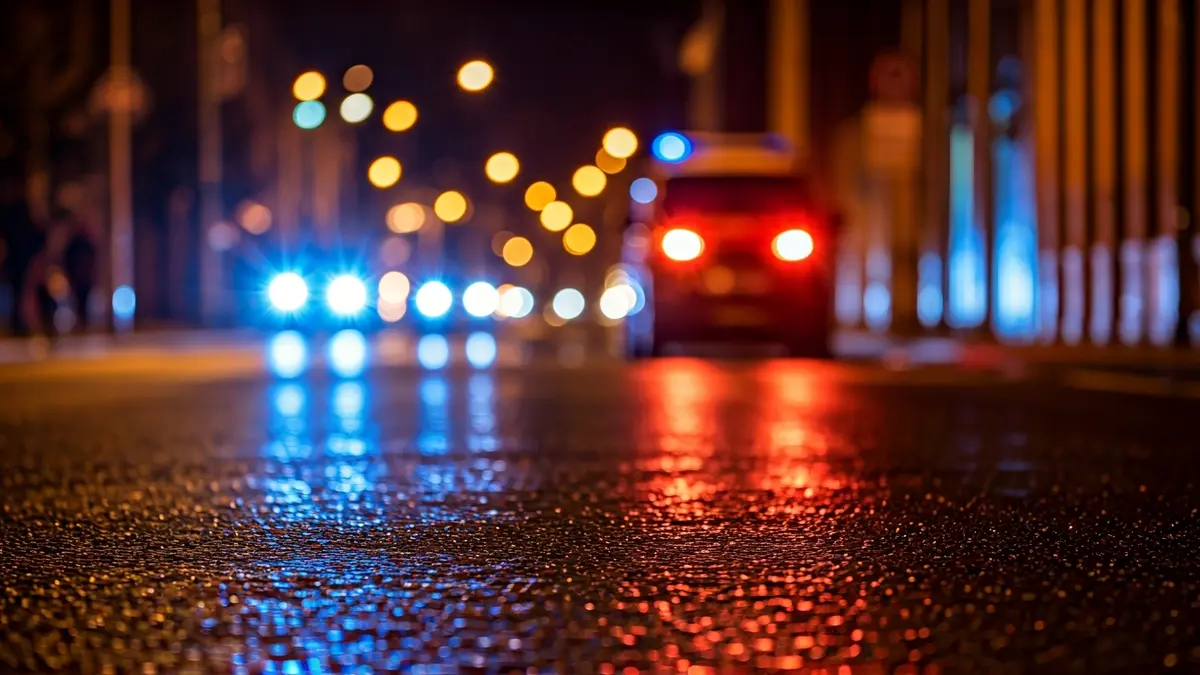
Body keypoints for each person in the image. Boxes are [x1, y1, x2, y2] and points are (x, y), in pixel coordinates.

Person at [0, 169, 40, 336]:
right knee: (13, 295)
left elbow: (34, 237)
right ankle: (13, 326)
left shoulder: (22, 210)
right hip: (12, 264)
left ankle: (24, 326)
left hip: (23, 263)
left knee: (24, 296)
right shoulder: (9, 211)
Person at [63, 217, 96, 332]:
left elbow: (93, 259)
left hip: (85, 278)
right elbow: (67, 259)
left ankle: (84, 323)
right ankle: (77, 323)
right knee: (75, 301)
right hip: (76, 278)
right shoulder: (74, 243)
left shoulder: (86, 243)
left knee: (84, 301)